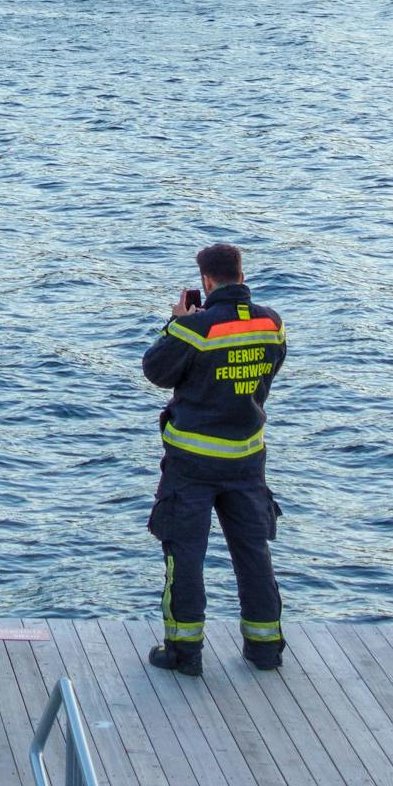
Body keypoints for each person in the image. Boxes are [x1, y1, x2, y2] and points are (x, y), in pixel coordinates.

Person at [141, 240, 287, 675]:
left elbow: (155, 370)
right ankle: (265, 649)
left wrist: (176, 323)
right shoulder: (271, 323)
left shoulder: (196, 327)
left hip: (192, 461)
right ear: (241, 276)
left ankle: (185, 653)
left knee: (184, 553)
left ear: (206, 281)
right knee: (252, 552)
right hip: (246, 458)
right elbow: (269, 369)